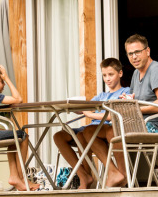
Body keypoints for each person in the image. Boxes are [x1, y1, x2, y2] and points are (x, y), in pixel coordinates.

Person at [53, 58, 131, 189]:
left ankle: (112, 172)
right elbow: (86, 109)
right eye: (104, 75)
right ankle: (83, 176)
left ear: (120, 73)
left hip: (107, 128)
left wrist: (89, 114)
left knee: (85, 133)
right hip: (93, 127)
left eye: (111, 74)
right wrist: (76, 106)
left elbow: (115, 116)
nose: (107, 79)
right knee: (59, 136)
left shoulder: (125, 92)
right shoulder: (101, 96)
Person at [124, 34, 158, 133]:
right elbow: (134, 100)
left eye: (137, 52)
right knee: (94, 131)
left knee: (113, 131)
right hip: (140, 121)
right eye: (130, 54)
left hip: (157, 125)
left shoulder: (156, 70)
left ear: (147, 51)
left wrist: (135, 110)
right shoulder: (136, 73)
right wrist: (127, 100)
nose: (134, 57)